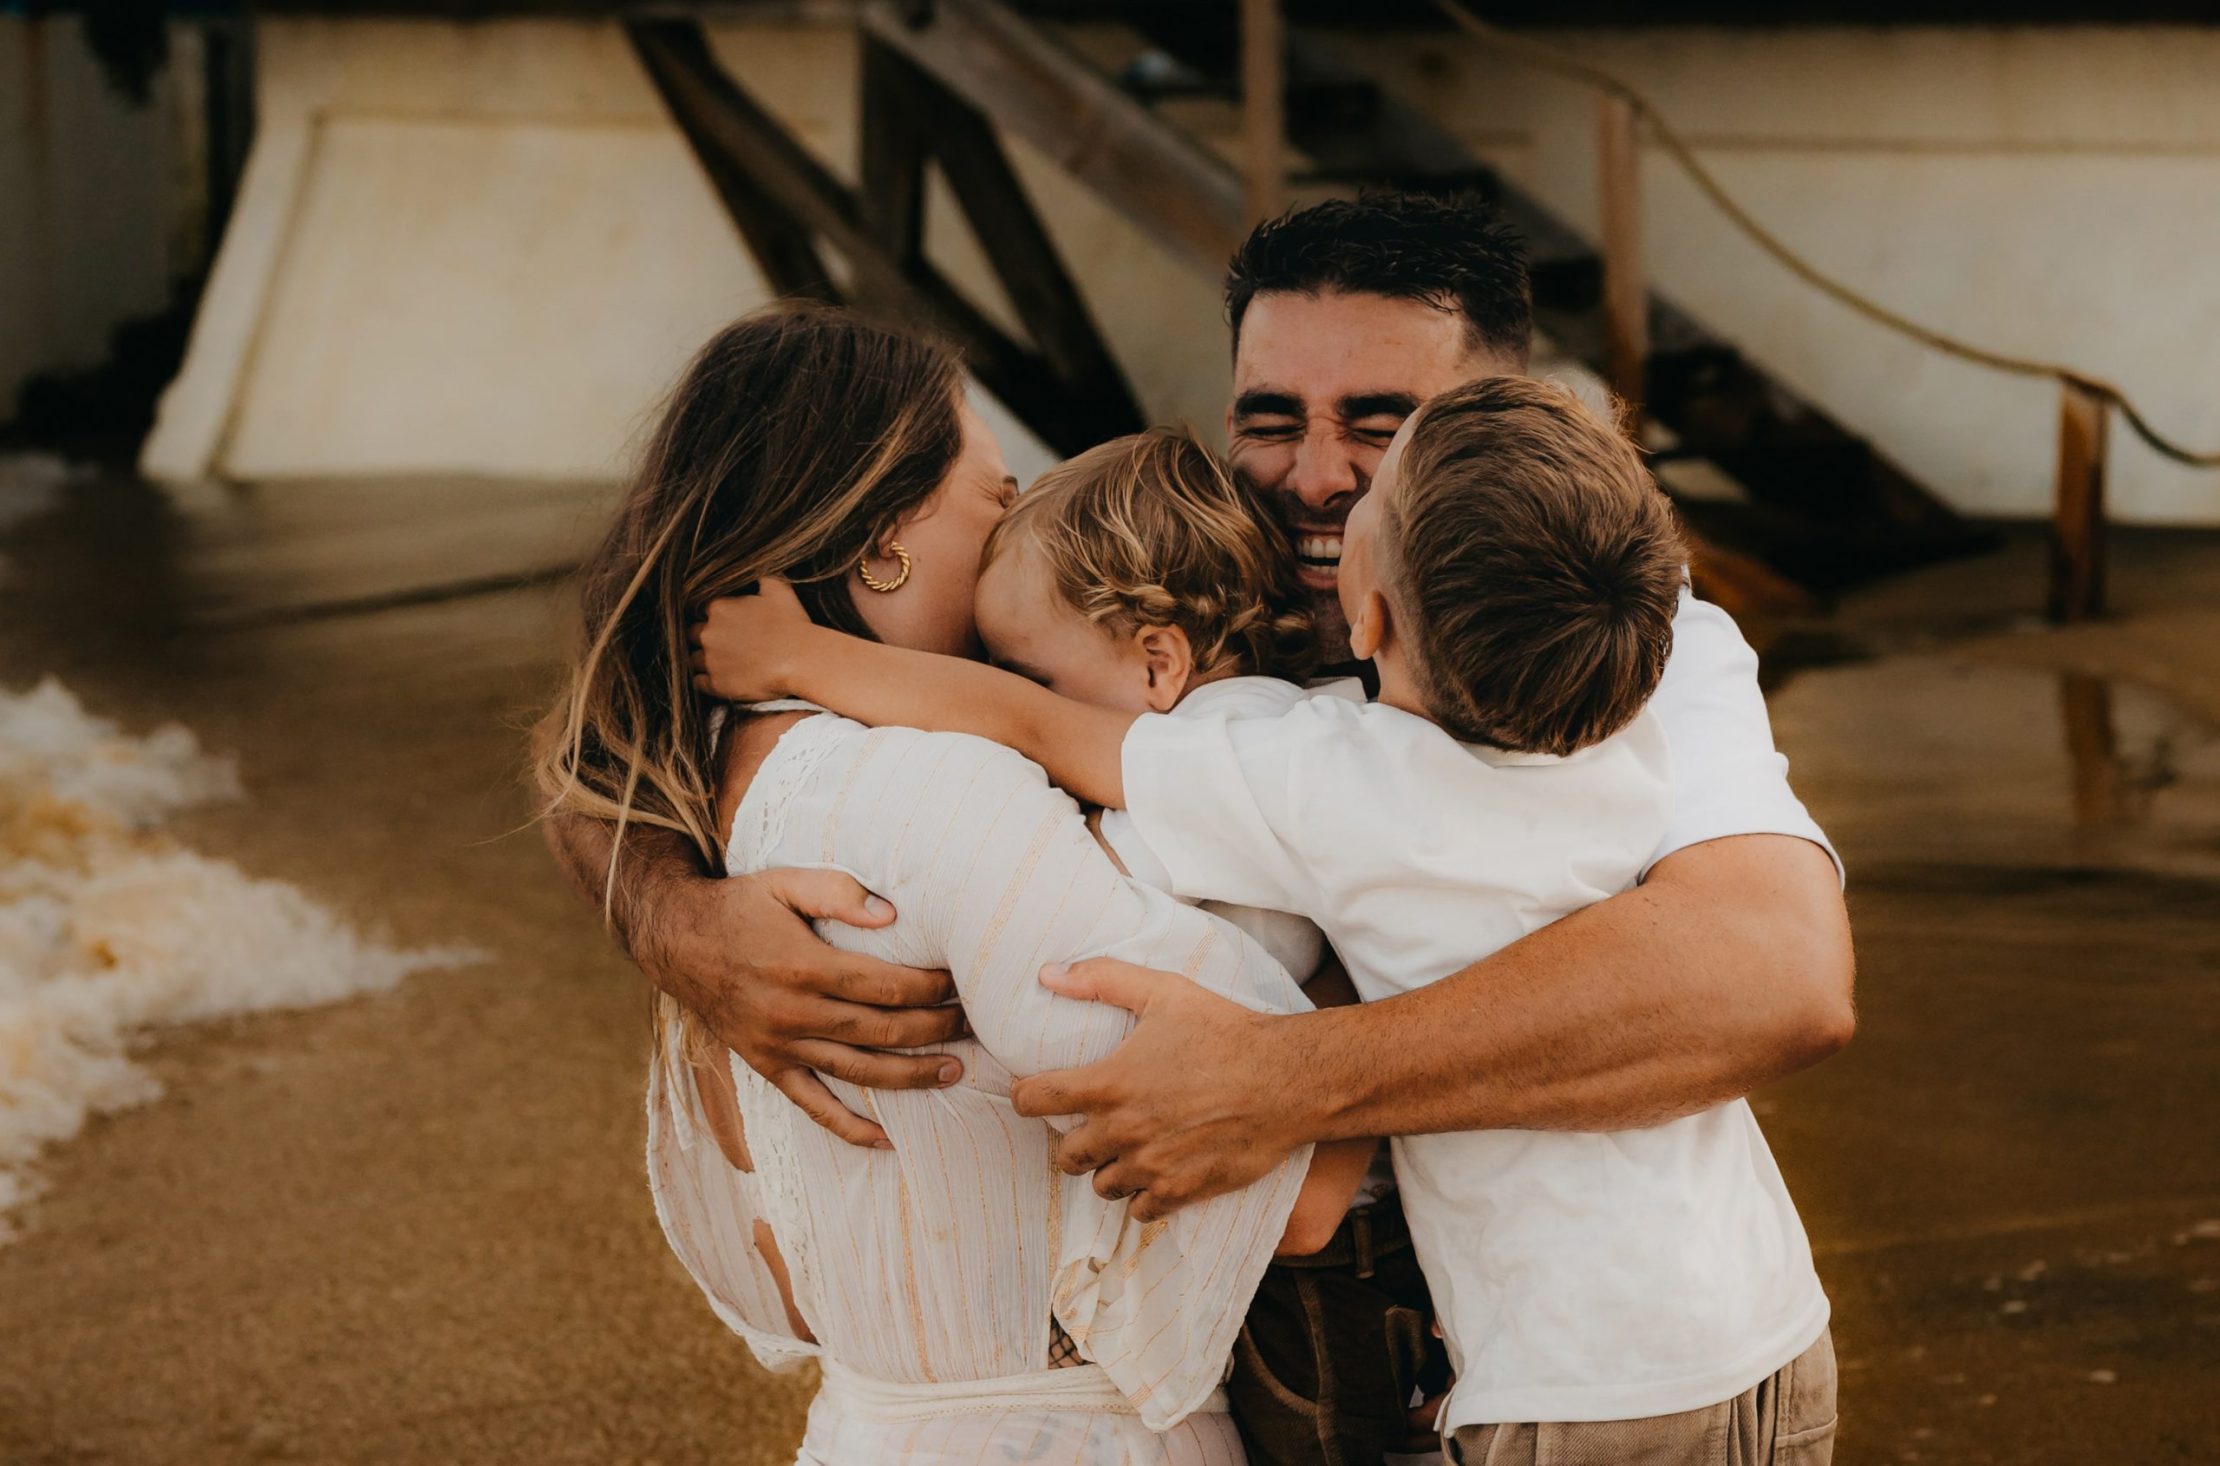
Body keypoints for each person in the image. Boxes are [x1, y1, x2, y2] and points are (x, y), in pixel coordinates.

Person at [543, 191, 1852, 1425]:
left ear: (1490, 423)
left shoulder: (1620, 644)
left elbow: (1776, 977)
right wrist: (673, 913)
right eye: (1273, 417)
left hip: (1592, 1365)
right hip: (1247, 1382)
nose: (1317, 474)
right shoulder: (1151, 588)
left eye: (1380, 423)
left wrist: (1291, 1079)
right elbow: (628, 694)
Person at [533, 305, 1372, 1462]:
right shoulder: (925, 785)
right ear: (884, 540)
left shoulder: (702, 780)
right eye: (997, 495)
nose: (1021, 528)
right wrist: (1389, 965)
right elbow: (1293, 1174)